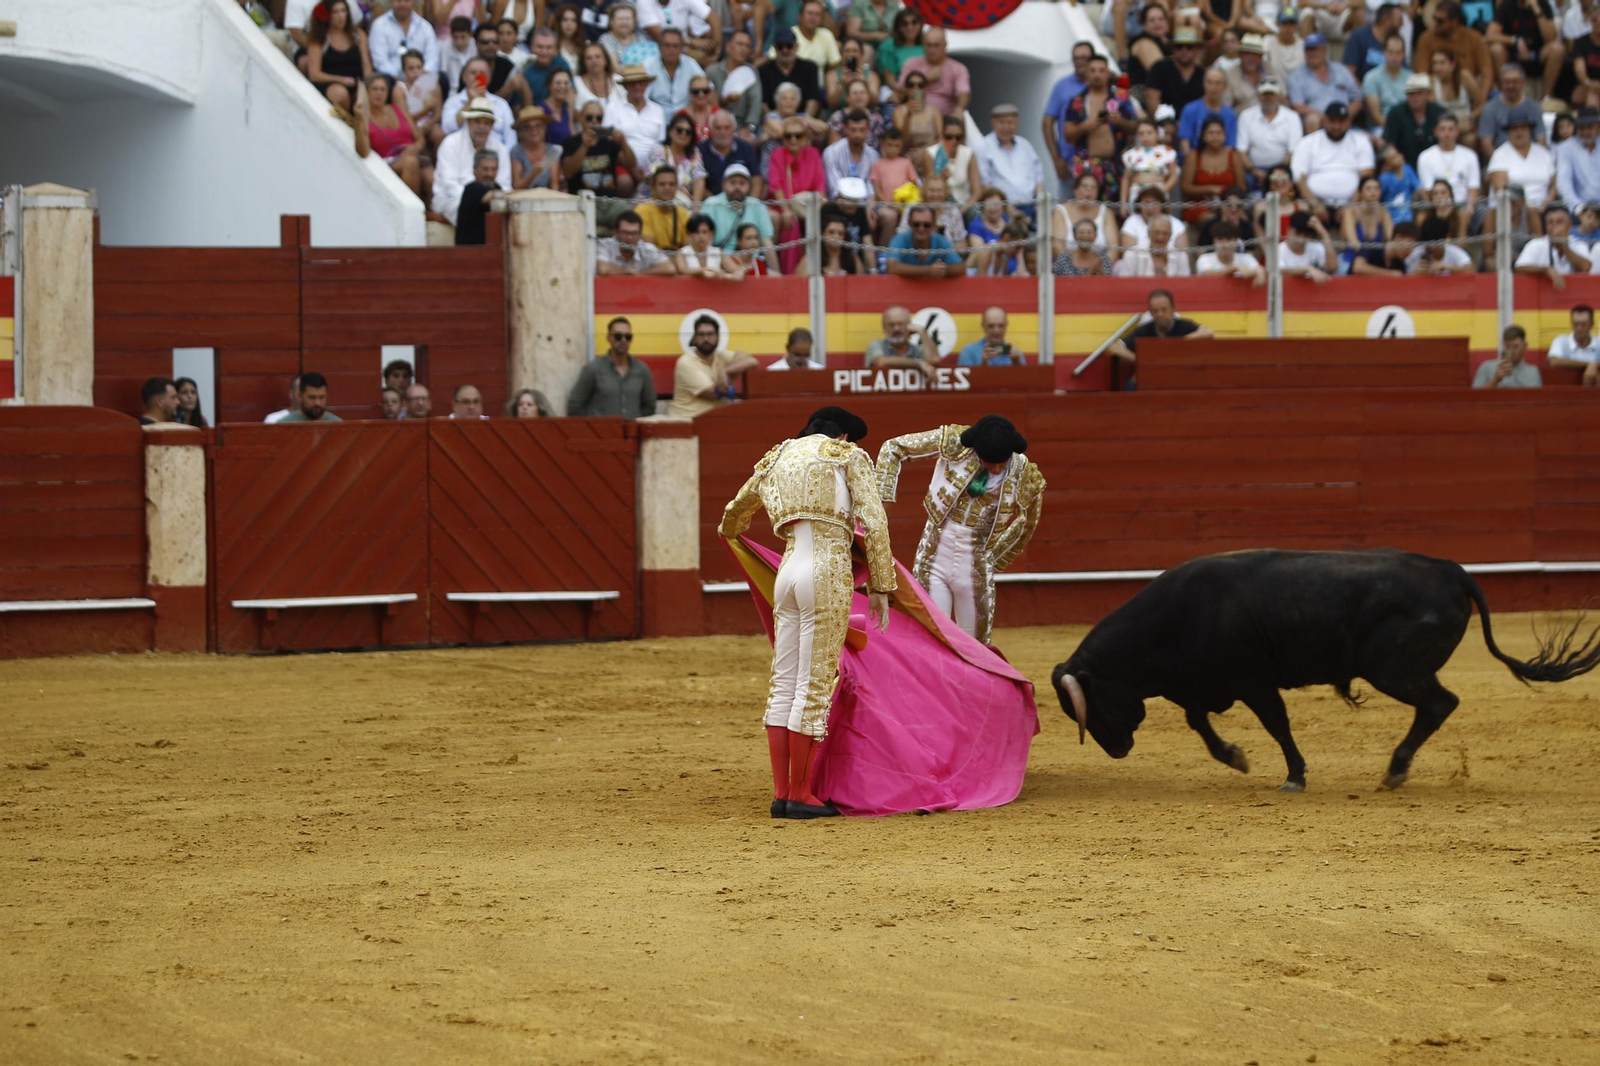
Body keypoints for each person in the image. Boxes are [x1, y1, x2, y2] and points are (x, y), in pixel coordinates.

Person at [718, 406, 896, 820]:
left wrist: (736, 540)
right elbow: (874, 519)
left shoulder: (775, 458)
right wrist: (882, 584)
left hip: (788, 572)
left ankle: (783, 792)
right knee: (813, 685)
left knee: (784, 682)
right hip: (826, 572)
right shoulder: (846, 456)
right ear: (845, 437)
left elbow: (732, 516)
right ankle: (800, 793)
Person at [875, 416, 1044, 644]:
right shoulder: (955, 444)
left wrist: (994, 558)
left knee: (975, 647)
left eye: (1000, 463)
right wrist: (883, 501)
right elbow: (893, 448)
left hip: (975, 567)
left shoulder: (1024, 473)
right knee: (932, 639)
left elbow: (1027, 523)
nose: (994, 468)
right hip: (933, 556)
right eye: (988, 461)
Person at [1062, 55, 1144, 206]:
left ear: (1108, 73)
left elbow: (1135, 127)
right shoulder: (1077, 101)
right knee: (1086, 209)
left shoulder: (1121, 97)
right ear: (1087, 73)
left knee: (1115, 212)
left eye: (1101, 70)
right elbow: (1067, 135)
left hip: (1116, 165)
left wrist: (1120, 121)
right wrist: (1086, 126)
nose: (1097, 75)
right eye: (1093, 71)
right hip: (1087, 167)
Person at [433, 97, 511, 226]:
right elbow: (450, 185)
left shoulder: (500, 149)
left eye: (486, 123)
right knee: (473, 211)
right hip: (451, 199)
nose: (481, 127)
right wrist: (478, 199)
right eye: (477, 122)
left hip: (491, 199)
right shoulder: (450, 143)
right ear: (468, 122)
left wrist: (489, 199)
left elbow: (504, 184)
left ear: (492, 126)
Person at [1106, 288, 1216, 376]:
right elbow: (1114, 347)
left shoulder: (1183, 325)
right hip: (1152, 375)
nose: (1160, 314)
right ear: (1151, 313)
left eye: (1164, 310)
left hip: (1181, 374)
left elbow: (1209, 332)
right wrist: (1139, 360)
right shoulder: (1145, 330)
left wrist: (1183, 341)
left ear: (1173, 309)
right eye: (1155, 311)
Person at [1291, 100, 1375, 212]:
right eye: (1332, 121)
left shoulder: (1361, 141)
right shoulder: (1308, 142)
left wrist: (1351, 207)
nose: (1336, 126)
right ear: (1324, 120)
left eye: (1341, 122)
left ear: (1349, 122)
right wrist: (1315, 205)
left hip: (1353, 204)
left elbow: (1366, 176)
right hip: (1314, 204)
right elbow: (1300, 179)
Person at [567, 316, 659, 417]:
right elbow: (574, 406)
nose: (623, 340)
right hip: (601, 432)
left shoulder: (642, 370)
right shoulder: (593, 369)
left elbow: (650, 407)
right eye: (618, 336)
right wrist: (595, 427)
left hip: (632, 432)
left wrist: (634, 423)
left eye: (628, 337)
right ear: (609, 338)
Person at [671, 314, 760, 417]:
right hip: (688, 423)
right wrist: (733, 372)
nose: (706, 339)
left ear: (718, 337)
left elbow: (753, 361)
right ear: (694, 338)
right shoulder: (686, 362)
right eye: (701, 335)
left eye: (710, 334)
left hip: (715, 421)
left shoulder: (721, 356)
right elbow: (714, 394)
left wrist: (725, 371)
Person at [1044, 41, 1097, 192]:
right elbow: (1047, 122)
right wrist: (1056, 159)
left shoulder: (1104, 84)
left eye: (1084, 58)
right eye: (1076, 58)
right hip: (1069, 161)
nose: (1079, 62)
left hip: (1100, 161)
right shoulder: (1062, 86)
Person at [975, 104, 1044, 214]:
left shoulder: (1025, 145)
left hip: (1031, 206)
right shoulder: (983, 147)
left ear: (1017, 123)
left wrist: (1040, 204)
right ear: (993, 123)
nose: (1006, 127)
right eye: (1002, 123)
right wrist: (1010, 210)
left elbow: (1038, 176)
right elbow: (986, 184)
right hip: (1001, 210)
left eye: (1010, 123)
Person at [562, 101, 639, 198]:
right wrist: (584, 146)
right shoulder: (571, 142)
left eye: (599, 118)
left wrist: (623, 143)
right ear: (581, 117)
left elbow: (632, 164)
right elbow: (568, 173)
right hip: (582, 200)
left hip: (609, 201)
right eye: (589, 118)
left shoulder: (608, 142)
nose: (594, 121)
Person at [1486, 0, 1567, 92]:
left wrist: (1536, 10)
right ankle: (1506, 95)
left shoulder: (1542, 4)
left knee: (1557, 49)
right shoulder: (1507, 4)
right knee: (1496, 49)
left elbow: (1551, 38)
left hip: (1537, 53)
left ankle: (1545, 97)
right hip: (1513, 53)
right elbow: (1490, 35)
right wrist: (1515, 40)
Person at [1180, 116, 1248, 224]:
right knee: (1210, 219)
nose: (1215, 137)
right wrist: (1211, 189)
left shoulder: (1233, 155)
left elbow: (1241, 187)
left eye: (1219, 133)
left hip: (1229, 204)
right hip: (1199, 206)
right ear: (1203, 135)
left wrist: (1227, 197)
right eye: (1211, 133)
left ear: (1225, 135)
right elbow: (1186, 187)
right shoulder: (1194, 156)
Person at [1415, 0, 1497, 88]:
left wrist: (1482, 100)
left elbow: (1486, 72)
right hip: (1437, 88)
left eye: (1440, 21)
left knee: (1467, 76)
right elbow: (1421, 73)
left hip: (1468, 88)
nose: (1435, 24)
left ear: (1454, 21)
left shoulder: (1473, 37)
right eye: (1434, 18)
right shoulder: (1426, 38)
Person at [308, 0, 372, 113]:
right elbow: (314, 74)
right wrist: (341, 80)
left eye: (343, 11)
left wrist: (369, 83)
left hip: (356, 81)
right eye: (335, 12)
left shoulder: (357, 34)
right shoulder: (320, 39)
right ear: (328, 15)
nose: (341, 16)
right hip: (331, 83)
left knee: (373, 92)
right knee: (341, 94)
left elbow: (366, 63)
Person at [703, 163, 776, 260]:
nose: (737, 187)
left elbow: (767, 242)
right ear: (724, 185)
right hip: (720, 262)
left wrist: (776, 273)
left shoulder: (757, 206)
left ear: (749, 186)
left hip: (751, 262)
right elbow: (705, 242)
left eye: (742, 183)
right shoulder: (711, 204)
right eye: (732, 183)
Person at [440, 57, 517, 147]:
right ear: (465, 77)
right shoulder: (453, 101)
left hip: (495, 155)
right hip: (461, 153)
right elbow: (447, 128)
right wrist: (470, 102)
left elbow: (511, 138)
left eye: (482, 73)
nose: (477, 76)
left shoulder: (501, 104)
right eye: (473, 73)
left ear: (488, 78)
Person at [897, 26, 970, 121]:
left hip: (946, 119)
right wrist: (925, 79)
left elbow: (964, 93)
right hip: (914, 117)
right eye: (928, 45)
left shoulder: (958, 68)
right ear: (923, 44)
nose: (932, 50)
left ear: (945, 45)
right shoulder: (911, 64)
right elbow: (900, 93)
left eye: (936, 45)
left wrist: (959, 110)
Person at [605, 63, 668, 166]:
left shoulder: (658, 109)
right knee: (625, 182)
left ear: (647, 84)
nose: (637, 86)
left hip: (654, 164)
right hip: (623, 162)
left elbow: (660, 142)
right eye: (632, 83)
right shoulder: (612, 108)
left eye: (641, 82)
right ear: (625, 86)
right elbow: (608, 142)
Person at [1516, 202, 1593, 286]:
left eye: (1559, 222)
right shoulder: (1536, 244)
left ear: (1569, 225)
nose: (1554, 226)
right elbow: (1520, 267)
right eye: (1550, 222)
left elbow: (1586, 267)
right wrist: (1547, 270)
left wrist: (1564, 247)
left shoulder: (1578, 244)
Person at [868, 126, 921, 245]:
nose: (892, 149)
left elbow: (915, 183)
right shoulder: (878, 164)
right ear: (883, 145)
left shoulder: (906, 163)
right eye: (889, 145)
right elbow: (876, 187)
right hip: (884, 205)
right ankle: (885, 251)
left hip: (904, 204)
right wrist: (887, 202)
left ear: (901, 146)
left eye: (896, 146)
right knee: (890, 217)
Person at [1383, 73, 1449, 167]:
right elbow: (1389, 143)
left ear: (1428, 94)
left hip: (1436, 164)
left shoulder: (1439, 113)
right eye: (1411, 94)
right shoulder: (1396, 113)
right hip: (1404, 165)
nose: (1415, 97)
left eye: (1419, 93)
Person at [1478, 62, 1545, 154]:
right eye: (1506, 82)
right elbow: (1486, 143)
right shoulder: (1490, 108)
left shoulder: (1534, 107)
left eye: (1515, 82)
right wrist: (1499, 162)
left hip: (1529, 158)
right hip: (1501, 160)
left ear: (1522, 83)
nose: (1510, 86)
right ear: (1501, 83)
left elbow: (1541, 138)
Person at [1427, 48, 1485, 152]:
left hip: (1466, 123)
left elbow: (1481, 104)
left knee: (1470, 140)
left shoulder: (1464, 76)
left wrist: (1471, 118)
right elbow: (1432, 110)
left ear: (1452, 64)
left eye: (1442, 63)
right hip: (1444, 125)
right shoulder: (1431, 82)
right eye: (1434, 63)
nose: (1437, 67)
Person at [885, 204, 963, 277]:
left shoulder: (941, 240)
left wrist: (940, 269)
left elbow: (960, 268)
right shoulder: (899, 240)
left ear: (934, 225)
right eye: (916, 224)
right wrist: (928, 270)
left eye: (926, 225)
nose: (921, 228)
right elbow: (892, 267)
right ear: (909, 223)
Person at [700, 107, 762, 197]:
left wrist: (751, 203)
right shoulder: (700, 150)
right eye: (718, 128)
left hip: (743, 202)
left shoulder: (746, 148)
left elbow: (756, 179)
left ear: (734, 129)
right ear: (711, 130)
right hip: (710, 204)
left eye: (727, 128)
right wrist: (715, 202)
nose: (723, 132)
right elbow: (697, 182)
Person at [370, 0, 440, 78]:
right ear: (391, 1)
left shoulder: (425, 26)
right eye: (398, 1)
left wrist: (420, 76)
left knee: (441, 79)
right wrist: (400, 77)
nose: (402, 4)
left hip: (422, 79)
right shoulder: (379, 25)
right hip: (391, 80)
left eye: (406, 1)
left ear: (413, 2)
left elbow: (432, 59)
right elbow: (380, 61)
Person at [760, 29, 823, 115]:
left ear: (796, 47)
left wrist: (803, 123)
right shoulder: (764, 70)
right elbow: (763, 104)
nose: (785, 50)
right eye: (780, 46)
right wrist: (772, 121)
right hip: (773, 123)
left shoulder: (810, 68)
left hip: (803, 122)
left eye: (789, 46)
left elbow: (812, 100)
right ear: (774, 48)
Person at [1177, 68, 1239, 156]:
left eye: (1217, 83)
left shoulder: (1230, 115)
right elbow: (1184, 143)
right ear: (1203, 84)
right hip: (1193, 161)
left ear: (1225, 87)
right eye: (1209, 82)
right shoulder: (1190, 109)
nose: (1213, 88)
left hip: (1221, 163)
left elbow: (1230, 146)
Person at [597, 209, 679, 273]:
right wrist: (627, 271)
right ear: (616, 233)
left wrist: (641, 273)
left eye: (634, 233)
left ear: (640, 234)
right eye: (625, 233)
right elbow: (603, 269)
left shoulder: (647, 248)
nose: (629, 237)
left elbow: (670, 268)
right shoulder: (605, 245)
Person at [864, 305, 938, 375]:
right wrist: (918, 363)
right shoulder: (877, 345)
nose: (896, 329)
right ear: (884, 328)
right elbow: (881, 362)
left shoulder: (917, 350)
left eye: (901, 324)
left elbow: (934, 361)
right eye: (891, 325)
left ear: (909, 326)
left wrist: (922, 332)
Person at [822, 108, 878, 199]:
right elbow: (835, 189)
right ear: (846, 129)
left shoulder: (873, 155)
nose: (857, 134)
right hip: (838, 203)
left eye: (862, 130)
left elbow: (871, 188)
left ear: (868, 130)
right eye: (853, 130)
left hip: (864, 206)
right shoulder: (831, 153)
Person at [648, 28, 706, 111]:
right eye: (667, 45)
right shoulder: (649, 65)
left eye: (676, 46)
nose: (671, 50)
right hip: (656, 116)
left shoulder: (690, 64)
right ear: (659, 47)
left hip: (686, 117)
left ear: (682, 48)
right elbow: (643, 97)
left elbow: (708, 88)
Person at [637, 166, 693, 250]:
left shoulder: (683, 213)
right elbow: (649, 249)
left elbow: (688, 247)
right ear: (653, 187)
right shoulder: (642, 211)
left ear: (676, 187)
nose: (667, 188)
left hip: (678, 260)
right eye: (662, 184)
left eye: (671, 184)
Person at [1362, 32, 1411, 127]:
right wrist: (1394, 131)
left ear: (1404, 54)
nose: (1394, 57)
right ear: (1384, 52)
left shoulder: (1412, 78)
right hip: (1381, 128)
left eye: (1398, 53)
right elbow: (1375, 116)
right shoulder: (1371, 77)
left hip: (1407, 127)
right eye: (1390, 52)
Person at [1114, 215, 1191, 275]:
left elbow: (1186, 286)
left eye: (1165, 233)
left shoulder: (1181, 256)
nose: (1160, 237)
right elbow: (1125, 286)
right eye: (1156, 232)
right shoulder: (1132, 254)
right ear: (1148, 233)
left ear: (1171, 235)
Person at [1346, 3, 1404, 81]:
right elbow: (1349, 73)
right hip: (1362, 89)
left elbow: (1403, 72)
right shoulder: (1359, 37)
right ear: (1386, 21)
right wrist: (1366, 91)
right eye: (1399, 20)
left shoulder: (1397, 42)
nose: (1402, 24)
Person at [891, 70, 943, 156]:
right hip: (908, 155)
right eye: (911, 85)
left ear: (925, 89)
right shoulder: (899, 111)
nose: (916, 88)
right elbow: (901, 142)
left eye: (920, 85)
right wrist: (908, 116)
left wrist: (923, 150)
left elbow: (940, 139)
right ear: (906, 89)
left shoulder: (934, 111)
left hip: (931, 154)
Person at [678, 212, 747, 276]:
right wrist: (708, 271)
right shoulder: (682, 253)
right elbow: (683, 271)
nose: (701, 236)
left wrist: (740, 272)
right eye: (696, 232)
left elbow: (736, 269)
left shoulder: (718, 253)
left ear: (711, 233)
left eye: (704, 232)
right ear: (689, 234)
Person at [511, 106, 565, 189]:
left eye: (538, 126)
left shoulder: (552, 150)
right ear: (522, 131)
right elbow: (516, 186)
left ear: (545, 128)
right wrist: (533, 174)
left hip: (547, 198)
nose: (534, 130)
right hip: (523, 198)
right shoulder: (517, 151)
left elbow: (555, 185)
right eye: (528, 127)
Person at [1556, 107, 1600, 207]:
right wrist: (1579, 207)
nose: (1585, 132)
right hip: (1579, 207)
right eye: (1582, 128)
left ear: (1598, 127)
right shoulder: (1566, 148)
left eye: (1589, 127)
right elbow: (1564, 182)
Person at [1473, 325, 1544, 386]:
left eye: (1515, 346)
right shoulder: (1487, 367)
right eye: (1507, 346)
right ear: (1503, 346)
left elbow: (1537, 399)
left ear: (1524, 346)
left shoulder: (1532, 372)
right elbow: (1474, 397)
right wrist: (1496, 379)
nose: (1511, 351)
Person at [1278, 209, 1338, 280]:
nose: (1301, 238)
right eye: (1298, 233)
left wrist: (1324, 234)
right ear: (1288, 229)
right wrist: (1307, 270)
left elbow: (1332, 267)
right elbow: (1279, 270)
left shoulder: (1315, 246)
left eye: (1306, 235)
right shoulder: (1279, 250)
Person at [1548, 303, 1600, 384]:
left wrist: (1594, 365)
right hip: (1566, 391)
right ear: (1571, 323)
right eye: (1576, 324)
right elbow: (1553, 362)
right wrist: (1591, 365)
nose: (1579, 328)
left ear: (1592, 324)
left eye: (1583, 324)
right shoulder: (1561, 341)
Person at [1194, 221, 1265, 280]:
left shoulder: (1246, 258)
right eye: (1220, 239)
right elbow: (1208, 276)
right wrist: (1234, 268)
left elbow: (1258, 269)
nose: (1224, 244)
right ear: (1214, 241)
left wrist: (1260, 271)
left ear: (1236, 241)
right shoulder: (1204, 259)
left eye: (1229, 239)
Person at [956, 307, 1026, 366]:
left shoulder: (1016, 353)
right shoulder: (969, 352)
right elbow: (968, 381)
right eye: (991, 326)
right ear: (983, 326)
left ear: (1006, 326)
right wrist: (983, 364)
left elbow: (1024, 381)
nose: (996, 330)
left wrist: (1017, 363)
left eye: (1001, 326)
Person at [1407, 214, 1479, 272]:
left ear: (1445, 240)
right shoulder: (1416, 253)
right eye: (1428, 243)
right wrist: (1415, 273)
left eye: (1435, 244)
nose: (1432, 247)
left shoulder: (1453, 251)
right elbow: (1404, 276)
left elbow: (1471, 269)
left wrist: (1446, 267)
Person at [1226, 32, 1271, 111]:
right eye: (1247, 54)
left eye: (1254, 54)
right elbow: (1225, 107)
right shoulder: (1229, 76)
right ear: (1240, 55)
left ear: (1261, 56)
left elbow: (1282, 98)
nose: (1250, 58)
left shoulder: (1270, 71)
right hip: (1240, 121)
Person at [576, 42, 626, 110]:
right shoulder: (576, 83)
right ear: (583, 62)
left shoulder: (618, 80)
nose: (594, 60)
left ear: (605, 60)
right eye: (589, 58)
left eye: (598, 57)